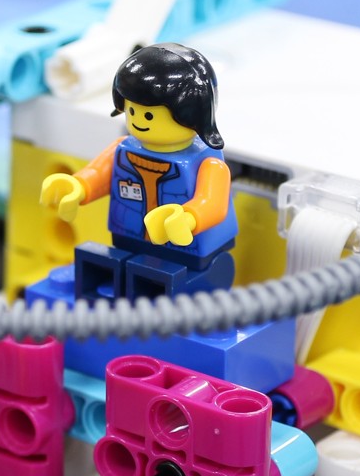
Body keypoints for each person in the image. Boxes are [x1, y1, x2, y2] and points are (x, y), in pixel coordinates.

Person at [38, 42, 237, 300]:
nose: (138, 121)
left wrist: (188, 217)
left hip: (189, 259)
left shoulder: (207, 164)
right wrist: (77, 186)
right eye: (132, 111)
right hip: (127, 245)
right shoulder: (123, 149)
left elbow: (213, 204)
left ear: (190, 113)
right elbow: (98, 175)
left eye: (149, 115)